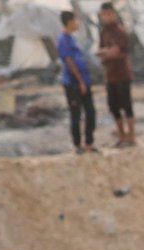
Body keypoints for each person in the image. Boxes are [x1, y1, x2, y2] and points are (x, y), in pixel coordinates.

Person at [55, 13, 96, 153]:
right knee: (76, 113)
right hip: (73, 83)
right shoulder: (63, 40)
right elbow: (69, 62)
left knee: (90, 111)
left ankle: (89, 143)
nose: (77, 23)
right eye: (75, 20)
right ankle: (77, 145)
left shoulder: (73, 38)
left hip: (84, 80)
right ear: (69, 21)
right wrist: (80, 81)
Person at [96, 4, 135, 147]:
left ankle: (131, 135)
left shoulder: (120, 31)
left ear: (114, 14)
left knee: (126, 105)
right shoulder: (103, 32)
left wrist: (107, 52)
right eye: (103, 14)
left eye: (108, 14)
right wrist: (106, 52)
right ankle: (122, 135)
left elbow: (116, 52)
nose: (106, 17)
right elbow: (100, 52)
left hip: (122, 74)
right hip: (110, 74)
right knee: (113, 106)